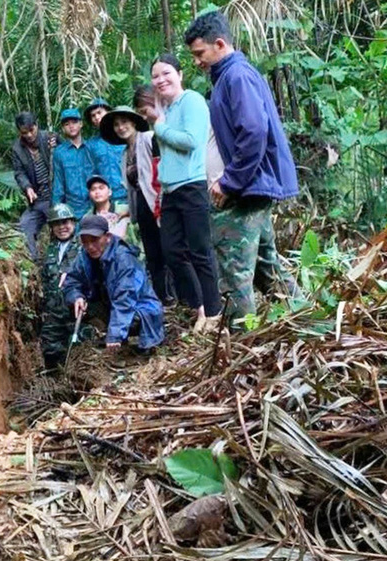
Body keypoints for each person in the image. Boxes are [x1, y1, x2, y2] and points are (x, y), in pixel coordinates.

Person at [185, 11, 299, 320]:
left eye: (200, 53)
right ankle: (309, 320)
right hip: (253, 185)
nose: (197, 61)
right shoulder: (229, 77)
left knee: (234, 277)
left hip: (247, 186)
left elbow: (253, 131)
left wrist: (229, 181)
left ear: (219, 44)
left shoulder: (236, 76)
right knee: (267, 268)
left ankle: (241, 347)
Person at [144, 53, 221, 333]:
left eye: (166, 73)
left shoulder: (192, 102)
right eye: (155, 76)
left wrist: (159, 126)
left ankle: (213, 313)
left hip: (192, 186)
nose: (160, 79)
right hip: (171, 191)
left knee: (200, 251)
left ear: (179, 74)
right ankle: (200, 306)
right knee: (173, 251)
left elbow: (190, 141)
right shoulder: (167, 110)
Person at [99, 101, 173, 305]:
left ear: (133, 122)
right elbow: (132, 187)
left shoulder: (148, 138)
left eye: (124, 122)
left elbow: (161, 169)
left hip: (158, 201)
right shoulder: (125, 153)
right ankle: (161, 298)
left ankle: (177, 294)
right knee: (152, 252)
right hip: (141, 205)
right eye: (117, 125)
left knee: (168, 248)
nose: (121, 127)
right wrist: (128, 213)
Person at [63, 215, 164, 353]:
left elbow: (125, 299)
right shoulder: (84, 255)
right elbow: (72, 280)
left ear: (108, 237)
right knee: (72, 308)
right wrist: (76, 297)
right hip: (108, 304)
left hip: (139, 308)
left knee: (133, 319)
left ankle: (130, 340)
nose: (90, 247)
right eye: (85, 242)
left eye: (94, 240)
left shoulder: (123, 259)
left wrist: (114, 335)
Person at [39, 204, 82, 368]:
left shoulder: (83, 246)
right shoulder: (50, 249)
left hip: (75, 309)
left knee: (77, 348)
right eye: (57, 223)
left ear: (73, 222)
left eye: (65, 222)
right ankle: (53, 380)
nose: (62, 227)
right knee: (50, 349)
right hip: (53, 311)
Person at [11, 111, 56, 262]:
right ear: (19, 131)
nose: (29, 135)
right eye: (25, 132)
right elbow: (19, 172)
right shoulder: (17, 148)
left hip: (55, 196)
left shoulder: (49, 137)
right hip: (37, 200)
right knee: (24, 227)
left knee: (60, 228)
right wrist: (27, 188)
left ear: (37, 125)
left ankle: (58, 262)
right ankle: (34, 263)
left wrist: (56, 145)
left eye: (32, 130)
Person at [52, 108, 97, 218]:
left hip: (94, 205)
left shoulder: (91, 148)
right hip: (72, 209)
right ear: (63, 128)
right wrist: (56, 211)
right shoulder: (59, 152)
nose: (71, 126)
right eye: (67, 124)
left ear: (81, 124)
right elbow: (58, 184)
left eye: (74, 122)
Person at [84, 97, 128, 206]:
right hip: (106, 199)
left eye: (99, 112)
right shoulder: (91, 144)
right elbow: (91, 172)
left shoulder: (124, 136)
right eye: (93, 116)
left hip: (129, 194)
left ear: (108, 113)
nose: (97, 117)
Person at [85, 174, 129, 239]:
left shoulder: (124, 209)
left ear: (110, 192)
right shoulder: (88, 217)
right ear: (89, 194)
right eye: (93, 189)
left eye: (101, 188)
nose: (97, 192)